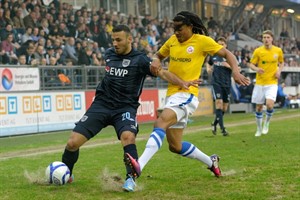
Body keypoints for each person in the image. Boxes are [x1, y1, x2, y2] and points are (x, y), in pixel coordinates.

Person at [61, 24, 199, 192]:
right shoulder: (109, 54)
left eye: (118, 40)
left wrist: (182, 83)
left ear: (129, 39)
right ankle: (66, 173)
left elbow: (162, 73)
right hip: (101, 105)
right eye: (113, 40)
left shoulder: (140, 60)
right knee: (72, 143)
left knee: (128, 137)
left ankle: (130, 179)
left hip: (125, 108)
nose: (115, 43)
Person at [125, 11, 250, 191]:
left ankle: (139, 167)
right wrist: (155, 60)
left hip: (187, 94)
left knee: (160, 122)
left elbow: (228, 54)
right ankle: (211, 161)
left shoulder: (202, 41)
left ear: (190, 26)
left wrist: (236, 71)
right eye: (174, 28)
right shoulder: (172, 41)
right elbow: (159, 56)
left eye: (180, 28)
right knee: (175, 146)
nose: (176, 32)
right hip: (172, 93)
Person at [247, 30, 284, 137]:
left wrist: (278, 71)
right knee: (258, 107)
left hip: (272, 82)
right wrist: (257, 69)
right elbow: (251, 64)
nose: (266, 39)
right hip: (260, 83)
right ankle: (258, 128)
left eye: (268, 37)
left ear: (272, 39)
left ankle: (266, 123)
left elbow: (281, 63)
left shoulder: (278, 51)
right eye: (264, 37)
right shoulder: (258, 51)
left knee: (269, 104)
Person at [206, 37, 231, 136]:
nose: (220, 46)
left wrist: (228, 65)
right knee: (219, 104)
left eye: (222, 44)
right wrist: (208, 68)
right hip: (216, 83)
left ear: (226, 45)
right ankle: (223, 129)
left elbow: (237, 68)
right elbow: (208, 63)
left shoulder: (229, 56)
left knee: (224, 108)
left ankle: (214, 123)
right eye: (218, 44)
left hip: (227, 84)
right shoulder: (213, 55)